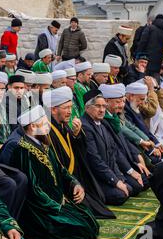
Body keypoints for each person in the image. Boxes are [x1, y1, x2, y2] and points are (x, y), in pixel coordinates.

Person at [0, 105, 99, 239]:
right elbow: (33, 189)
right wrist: (56, 205)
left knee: (89, 219)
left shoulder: (42, 142)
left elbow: (60, 168)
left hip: (55, 201)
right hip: (41, 209)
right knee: (83, 229)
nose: (48, 126)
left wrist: (74, 183)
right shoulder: (22, 149)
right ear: (33, 126)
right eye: (45, 123)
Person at [42, 86, 115, 218]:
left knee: (99, 199)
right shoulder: (47, 131)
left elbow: (78, 153)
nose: (70, 112)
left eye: (71, 107)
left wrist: (76, 135)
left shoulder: (64, 125)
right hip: (63, 183)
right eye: (66, 108)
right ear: (53, 110)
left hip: (73, 179)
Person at [81, 90, 141, 205]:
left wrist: (119, 178)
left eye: (104, 106)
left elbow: (113, 153)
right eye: (98, 106)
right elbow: (95, 161)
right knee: (121, 195)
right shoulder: (85, 126)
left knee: (134, 187)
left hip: (109, 173)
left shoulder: (103, 123)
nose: (102, 110)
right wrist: (115, 181)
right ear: (87, 108)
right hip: (95, 177)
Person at [137, 15, 163, 81]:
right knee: (155, 77)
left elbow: (142, 42)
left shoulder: (149, 28)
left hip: (146, 57)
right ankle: (156, 89)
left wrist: (138, 54)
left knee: (144, 77)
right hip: (158, 60)